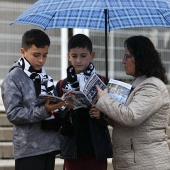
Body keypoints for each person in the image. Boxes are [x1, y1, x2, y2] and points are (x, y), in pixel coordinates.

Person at [96, 35, 170, 170]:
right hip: (132, 161)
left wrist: (105, 99)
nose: (123, 61)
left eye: (126, 56)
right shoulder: (138, 84)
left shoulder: (152, 87)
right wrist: (104, 113)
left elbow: (131, 117)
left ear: (140, 58)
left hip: (146, 163)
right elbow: (123, 122)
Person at [1, 29, 65, 170]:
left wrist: (63, 105)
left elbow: (51, 106)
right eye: (36, 55)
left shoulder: (44, 76)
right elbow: (14, 114)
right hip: (28, 149)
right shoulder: (13, 78)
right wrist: (44, 110)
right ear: (23, 52)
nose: (41, 60)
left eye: (45, 55)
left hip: (49, 145)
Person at [55, 34, 113, 170]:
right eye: (74, 56)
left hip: (97, 148)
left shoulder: (103, 82)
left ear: (92, 55)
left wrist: (101, 114)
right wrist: (66, 109)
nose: (79, 60)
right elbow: (56, 116)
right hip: (72, 149)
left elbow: (114, 115)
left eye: (83, 55)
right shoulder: (62, 85)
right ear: (68, 56)